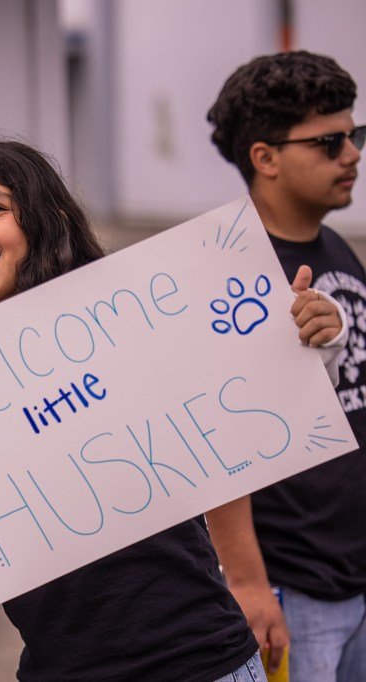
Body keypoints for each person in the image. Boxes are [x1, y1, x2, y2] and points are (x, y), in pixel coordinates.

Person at [0, 139, 347, 682]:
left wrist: (316, 338)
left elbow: (252, 399)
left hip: (205, 662)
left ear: (44, 220)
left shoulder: (131, 324)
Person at [206, 50, 366, 682]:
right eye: (328, 142)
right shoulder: (230, 270)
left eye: (354, 135)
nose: (351, 155)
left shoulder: (335, 245)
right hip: (293, 587)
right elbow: (219, 436)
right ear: (265, 158)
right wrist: (248, 583)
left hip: (352, 569)